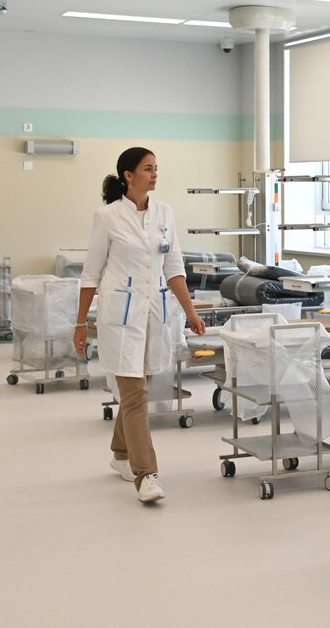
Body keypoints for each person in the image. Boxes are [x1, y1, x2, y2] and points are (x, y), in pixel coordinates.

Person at [74, 147, 206, 503]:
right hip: (120, 317)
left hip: (154, 314)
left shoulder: (164, 213)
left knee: (139, 388)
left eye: (156, 168)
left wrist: (191, 312)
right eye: (148, 169)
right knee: (135, 395)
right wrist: (80, 323)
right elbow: (90, 274)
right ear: (128, 175)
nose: (154, 174)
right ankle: (146, 474)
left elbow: (174, 268)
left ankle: (120, 454)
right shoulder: (108, 217)